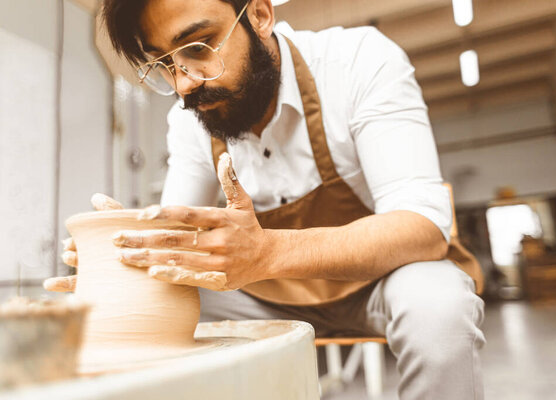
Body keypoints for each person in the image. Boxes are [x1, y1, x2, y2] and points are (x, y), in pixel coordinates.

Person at [46, 0, 486, 398]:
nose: (184, 85)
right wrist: (124, 255)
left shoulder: (358, 61)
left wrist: (268, 251)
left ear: (259, 14)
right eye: (163, 64)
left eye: (198, 48)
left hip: (378, 283)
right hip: (260, 293)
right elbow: (175, 240)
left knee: (439, 306)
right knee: (150, 294)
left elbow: (423, 227)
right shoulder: (190, 121)